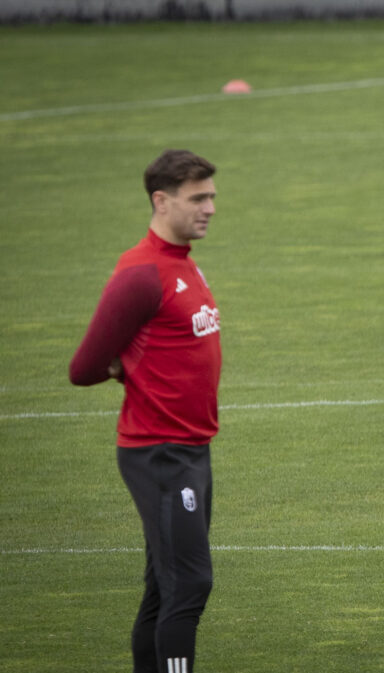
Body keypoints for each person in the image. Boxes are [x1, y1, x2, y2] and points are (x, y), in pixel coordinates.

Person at [70, 149, 220, 673]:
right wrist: (122, 366)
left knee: (165, 584)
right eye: (197, 198)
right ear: (161, 200)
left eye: (212, 197)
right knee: (191, 582)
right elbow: (83, 366)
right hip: (158, 453)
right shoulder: (141, 272)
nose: (210, 208)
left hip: (191, 449)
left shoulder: (182, 264)